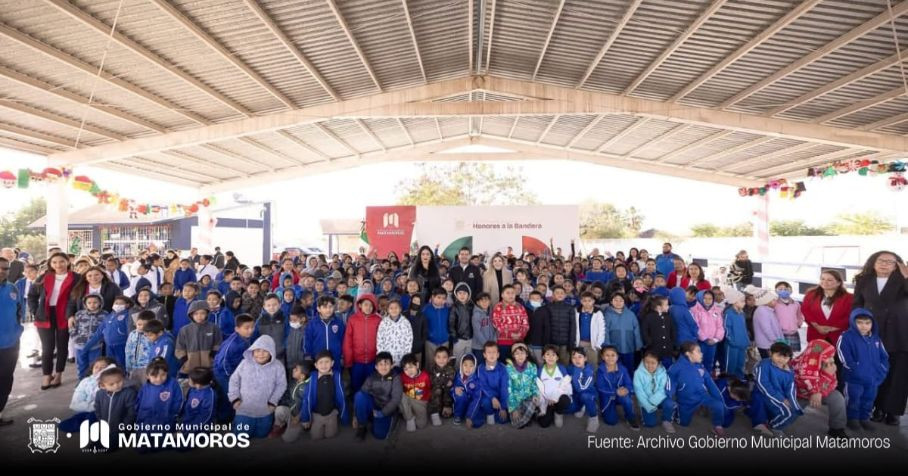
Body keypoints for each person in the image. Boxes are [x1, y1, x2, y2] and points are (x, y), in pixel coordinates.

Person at [851, 251, 908, 426]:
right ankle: (878, 408)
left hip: (899, 332)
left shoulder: (903, 280)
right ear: (873, 262)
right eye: (881, 260)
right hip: (871, 331)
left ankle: (893, 411)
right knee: (874, 371)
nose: (884, 264)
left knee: (898, 373)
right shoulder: (863, 280)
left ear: (897, 265)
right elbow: (857, 304)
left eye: (890, 262)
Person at [29, 252, 78, 390]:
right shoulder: (44, 277)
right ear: (50, 264)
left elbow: (77, 297)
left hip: (65, 314)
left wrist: (72, 314)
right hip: (45, 314)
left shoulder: (76, 278)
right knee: (47, 348)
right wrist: (35, 311)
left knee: (62, 346)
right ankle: (46, 375)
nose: (58, 265)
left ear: (68, 262)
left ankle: (58, 374)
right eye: (54, 262)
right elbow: (32, 295)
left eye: (62, 261)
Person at [838, 308, 889, 431]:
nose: (864, 326)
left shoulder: (875, 338)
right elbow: (844, 356)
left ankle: (864, 418)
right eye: (859, 322)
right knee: (854, 399)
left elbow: (884, 356)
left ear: (872, 324)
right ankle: (852, 419)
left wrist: (882, 370)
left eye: (867, 323)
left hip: (872, 379)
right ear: (852, 322)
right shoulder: (846, 337)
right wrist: (856, 369)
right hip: (854, 379)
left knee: (869, 399)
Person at [229, 335, 287, 438]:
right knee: (241, 436)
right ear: (252, 350)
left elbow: (281, 385)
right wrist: (234, 399)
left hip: (265, 410)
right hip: (244, 409)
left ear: (271, 352)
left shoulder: (278, 366)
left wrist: (273, 402)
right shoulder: (244, 363)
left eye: (265, 351)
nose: (260, 354)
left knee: (262, 435)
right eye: (257, 350)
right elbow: (234, 381)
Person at [792, 339, 847, 438]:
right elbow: (804, 381)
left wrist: (828, 376)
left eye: (831, 356)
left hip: (821, 393)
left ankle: (837, 428)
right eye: (827, 356)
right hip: (799, 395)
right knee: (786, 415)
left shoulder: (829, 364)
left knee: (837, 398)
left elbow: (833, 385)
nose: (830, 358)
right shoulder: (800, 364)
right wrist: (815, 391)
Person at [668, 341, 726, 435]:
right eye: (698, 351)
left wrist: (720, 399)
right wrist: (669, 400)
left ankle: (717, 426)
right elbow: (669, 386)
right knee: (684, 423)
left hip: (701, 396)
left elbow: (710, 383)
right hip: (686, 401)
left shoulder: (700, 366)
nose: (701, 354)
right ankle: (677, 411)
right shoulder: (675, 368)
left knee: (718, 404)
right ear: (688, 353)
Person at [751, 342, 801, 436]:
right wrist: (782, 399)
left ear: (789, 358)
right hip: (763, 392)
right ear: (770, 353)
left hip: (778, 394)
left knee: (794, 410)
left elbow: (790, 388)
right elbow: (763, 384)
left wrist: (791, 400)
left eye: (785, 357)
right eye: (779, 356)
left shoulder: (789, 371)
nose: (781, 360)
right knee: (788, 413)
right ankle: (775, 427)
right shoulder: (764, 364)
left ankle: (773, 423)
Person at [213, 314, 255, 423]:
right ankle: (224, 420)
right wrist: (232, 377)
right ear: (237, 329)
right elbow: (222, 362)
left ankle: (230, 417)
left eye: (252, 327)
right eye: (246, 328)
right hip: (224, 374)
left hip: (234, 372)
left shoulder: (245, 339)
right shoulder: (233, 344)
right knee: (229, 396)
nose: (250, 330)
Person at [353, 351, 401, 441]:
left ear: (392, 365)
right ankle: (362, 425)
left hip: (387, 409)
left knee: (380, 435)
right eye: (380, 364)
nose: (384, 367)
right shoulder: (372, 377)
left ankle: (384, 420)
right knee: (359, 395)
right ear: (376, 367)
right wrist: (355, 415)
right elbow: (362, 393)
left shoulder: (396, 378)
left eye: (387, 364)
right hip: (374, 405)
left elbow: (396, 399)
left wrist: (383, 413)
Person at [301, 351, 348, 440]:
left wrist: (344, 416)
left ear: (332, 363)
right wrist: (305, 418)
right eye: (321, 362)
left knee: (330, 435)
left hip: (331, 413)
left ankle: (333, 420)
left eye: (327, 362)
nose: (324, 365)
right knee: (316, 437)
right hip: (317, 414)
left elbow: (341, 397)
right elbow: (307, 399)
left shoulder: (336, 376)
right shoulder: (312, 378)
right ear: (316, 365)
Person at [802, 269, 852, 347]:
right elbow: (805, 311)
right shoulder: (810, 294)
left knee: (837, 354)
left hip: (838, 336)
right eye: (822, 279)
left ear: (839, 283)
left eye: (829, 280)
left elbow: (850, 315)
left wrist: (832, 328)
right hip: (816, 335)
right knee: (817, 354)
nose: (825, 282)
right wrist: (817, 326)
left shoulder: (849, 298)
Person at [80, 295, 130, 372]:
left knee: (121, 366)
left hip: (121, 346)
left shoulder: (128, 315)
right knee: (110, 366)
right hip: (109, 347)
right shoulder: (109, 316)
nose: (118, 305)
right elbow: (98, 333)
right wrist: (87, 346)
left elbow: (130, 331)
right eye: (116, 303)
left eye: (121, 303)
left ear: (127, 305)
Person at [0, 257, 23, 425]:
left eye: (5, 268)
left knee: (6, 379)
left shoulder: (12, 288)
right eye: (0, 268)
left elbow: (20, 310)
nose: (2, 271)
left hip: (10, 343)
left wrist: (17, 330)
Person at [343, 294, 381, 392]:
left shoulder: (378, 320)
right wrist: (348, 360)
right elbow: (348, 341)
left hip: (372, 360)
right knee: (356, 385)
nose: (368, 307)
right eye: (366, 304)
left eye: (371, 305)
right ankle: (356, 400)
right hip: (357, 361)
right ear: (360, 305)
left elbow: (382, 340)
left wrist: (379, 358)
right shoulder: (353, 319)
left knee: (371, 385)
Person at [596, 346, 638, 429]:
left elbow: (629, 384)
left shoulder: (623, 369)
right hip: (607, 397)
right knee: (611, 421)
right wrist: (616, 391)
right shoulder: (600, 370)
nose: (610, 358)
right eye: (607, 355)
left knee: (627, 399)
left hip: (621, 394)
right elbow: (600, 387)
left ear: (617, 357)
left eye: (613, 355)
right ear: (603, 357)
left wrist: (627, 390)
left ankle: (630, 417)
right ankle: (606, 409)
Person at [94, 366, 137, 448]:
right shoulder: (100, 394)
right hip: (105, 426)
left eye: (119, 381)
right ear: (103, 385)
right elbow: (97, 408)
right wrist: (101, 421)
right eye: (111, 384)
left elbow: (132, 413)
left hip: (123, 428)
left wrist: (124, 426)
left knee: (112, 443)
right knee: (95, 441)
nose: (116, 385)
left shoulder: (129, 393)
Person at [175, 300, 223, 374]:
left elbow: (218, 344)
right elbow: (179, 348)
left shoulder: (214, 328)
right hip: (190, 368)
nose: (199, 316)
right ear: (191, 315)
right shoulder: (184, 330)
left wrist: (212, 357)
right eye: (196, 314)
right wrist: (186, 360)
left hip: (209, 367)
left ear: (207, 314)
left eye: (202, 313)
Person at [633, 351, 675, 433]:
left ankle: (667, 420)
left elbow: (663, 389)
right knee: (650, 424)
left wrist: (653, 401)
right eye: (647, 362)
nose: (649, 365)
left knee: (669, 403)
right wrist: (648, 405)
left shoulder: (663, 372)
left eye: (653, 363)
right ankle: (647, 411)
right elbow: (639, 392)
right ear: (643, 361)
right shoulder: (638, 373)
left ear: (658, 363)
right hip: (646, 401)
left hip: (658, 398)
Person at [137, 358, 184, 430]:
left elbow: (179, 401)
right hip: (146, 424)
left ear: (167, 373)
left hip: (166, 423)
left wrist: (172, 414)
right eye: (155, 376)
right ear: (147, 376)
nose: (159, 379)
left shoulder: (173, 384)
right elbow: (138, 405)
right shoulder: (145, 388)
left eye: (163, 375)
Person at [602, 292, 642, 375]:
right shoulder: (608, 314)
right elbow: (605, 330)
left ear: (624, 302)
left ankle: (629, 382)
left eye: (621, 300)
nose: (618, 302)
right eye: (616, 300)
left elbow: (636, 330)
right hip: (614, 349)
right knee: (614, 369)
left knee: (629, 368)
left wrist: (638, 344)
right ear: (611, 302)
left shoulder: (631, 314)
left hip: (629, 347)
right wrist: (607, 345)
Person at [272, 360, 311, 442]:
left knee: (287, 439)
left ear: (302, 376)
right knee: (279, 410)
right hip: (291, 412)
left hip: (301, 417)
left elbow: (307, 405)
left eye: (296, 369)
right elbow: (286, 396)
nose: (293, 370)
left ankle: (303, 428)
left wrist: (298, 417)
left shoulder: (307, 387)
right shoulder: (293, 382)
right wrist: (277, 404)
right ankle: (280, 425)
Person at [70, 294, 107, 378]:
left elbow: (105, 330)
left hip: (95, 346)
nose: (92, 305)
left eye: (95, 302)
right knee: (81, 365)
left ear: (100, 303)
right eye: (89, 303)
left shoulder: (104, 315)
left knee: (94, 365)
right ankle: (82, 381)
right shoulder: (79, 314)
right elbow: (72, 328)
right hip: (80, 346)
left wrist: (101, 340)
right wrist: (76, 339)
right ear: (85, 304)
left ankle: (94, 381)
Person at [535, 345, 572, 428]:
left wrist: (555, 398)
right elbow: (539, 388)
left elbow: (566, 385)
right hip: (547, 401)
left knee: (565, 399)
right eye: (547, 354)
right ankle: (550, 411)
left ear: (557, 357)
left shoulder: (561, 368)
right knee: (544, 423)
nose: (550, 357)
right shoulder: (540, 370)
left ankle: (558, 413)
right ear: (543, 357)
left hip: (558, 398)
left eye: (553, 355)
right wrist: (543, 399)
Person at [304, 296, 344, 370]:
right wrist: (309, 355)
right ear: (318, 309)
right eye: (325, 307)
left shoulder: (339, 322)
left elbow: (342, 339)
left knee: (335, 375)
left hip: (335, 357)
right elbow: (308, 340)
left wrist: (342, 354)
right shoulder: (312, 324)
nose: (328, 310)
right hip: (318, 358)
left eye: (330, 306)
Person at [475, 341, 509, 427]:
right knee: (485, 402)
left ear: (498, 355)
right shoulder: (480, 368)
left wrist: (503, 407)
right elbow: (483, 386)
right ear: (484, 355)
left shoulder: (503, 368)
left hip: (499, 397)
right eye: (489, 352)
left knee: (502, 420)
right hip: (487, 396)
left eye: (494, 352)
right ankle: (489, 413)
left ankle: (497, 411)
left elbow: (504, 388)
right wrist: (492, 398)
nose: (492, 355)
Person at [505, 343, 538, 429]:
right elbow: (509, 390)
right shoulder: (508, 368)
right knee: (517, 425)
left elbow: (534, 383)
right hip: (515, 400)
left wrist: (535, 394)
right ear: (513, 355)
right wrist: (513, 409)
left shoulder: (532, 366)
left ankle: (528, 415)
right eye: (517, 353)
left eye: (522, 353)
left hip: (528, 398)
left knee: (534, 402)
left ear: (527, 354)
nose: (520, 356)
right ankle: (527, 417)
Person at [691, 290, 724, 374]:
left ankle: (708, 377)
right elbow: (695, 327)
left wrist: (716, 339)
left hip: (713, 342)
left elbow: (720, 326)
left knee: (710, 362)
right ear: (700, 298)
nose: (708, 301)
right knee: (699, 361)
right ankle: (699, 378)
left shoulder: (717, 310)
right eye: (705, 298)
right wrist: (705, 339)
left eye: (710, 299)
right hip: (701, 342)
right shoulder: (695, 311)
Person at [746, 285, 783, 358]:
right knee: (769, 361)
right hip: (766, 344)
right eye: (773, 300)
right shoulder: (762, 311)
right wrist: (776, 340)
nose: (775, 301)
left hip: (771, 343)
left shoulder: (767, 310)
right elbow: (767, 329)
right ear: (766, 301)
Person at [640, 295, 675, 370]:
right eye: (666, 305)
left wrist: (671, 343)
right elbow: (644, 332)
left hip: (667, 351)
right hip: (654, 350)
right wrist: (649, 342)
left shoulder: (668, 317)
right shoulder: (649, 317)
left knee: (667, 368)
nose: (668, 307)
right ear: (659, 307)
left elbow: (672, 331)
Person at [721, 287, 750, 379]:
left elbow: (744, 328)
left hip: (742, 343)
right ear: (734, 302)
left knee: (740, 363)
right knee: (731, 364)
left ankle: (739, 379)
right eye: (742, 301)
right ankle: (728, 381)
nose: (744, 303)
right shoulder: (728, 313)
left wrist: (746, 340)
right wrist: (731, 340)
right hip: (732, 344)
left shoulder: (741, 313)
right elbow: (726, 328)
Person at [400, 353, 431, 432]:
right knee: (400, 396)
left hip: (421, 402)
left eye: (411, 367)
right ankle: (409, 418)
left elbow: (430, 389)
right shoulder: (402, 377)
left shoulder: (425, 376)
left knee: (421, 425)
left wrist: (428, 402)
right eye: (405, 369)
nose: (409, 371)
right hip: (407, 399)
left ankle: (412, 414)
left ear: (417, 365)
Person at [181, 367, 217, 434]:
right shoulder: (193, 388)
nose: (188, 380)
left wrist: (189, 429)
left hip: (199, 428)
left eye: (190, 379)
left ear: (198, 385)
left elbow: (205, 417)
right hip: (187, 421)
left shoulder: (209, 396)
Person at [427, 345, 455, 426]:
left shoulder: (451, 369)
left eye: (444, 357)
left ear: (448, 359)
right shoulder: (432, 369)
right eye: (438, 357)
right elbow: (433, 381)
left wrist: (449, 381)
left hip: (446, 394)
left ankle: (447, 407)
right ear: (434, 358)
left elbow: (451, 380)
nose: (441, 360)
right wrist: (444, 380)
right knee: (437, 389)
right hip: (436, 394)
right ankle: (434, 412)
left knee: (449, 388)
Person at [125, 310, 154, 387]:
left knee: (146, 387)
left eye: (145, 325)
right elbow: (128, 350)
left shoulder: (152, 336)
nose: (142, 327)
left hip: (146, 368)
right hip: (133, 368)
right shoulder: (132, 334)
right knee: (134, 388)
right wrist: (128, 367)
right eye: (139, 324)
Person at [773, 281, 804, 352]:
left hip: (794, 333)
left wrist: (799, 323)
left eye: (786, 289)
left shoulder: (796, 304)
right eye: (780, 289)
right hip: (780, 334)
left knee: (794, 353)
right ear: (776, 291)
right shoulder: (775, 304)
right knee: (782, 353)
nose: (783, 291)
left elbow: (799, 315)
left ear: (790, 290)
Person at [449, 282, 474, 362]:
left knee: (468, 358)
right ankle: (457, 370)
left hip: (470, 338)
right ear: (456, 294)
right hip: (459, 339)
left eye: (464, 293)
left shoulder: (472, 306)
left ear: (468, 294)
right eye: (460, 293)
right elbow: (451, 323)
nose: (462, 295)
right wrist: (454, 336)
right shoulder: (454, 307)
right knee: (458, 359)